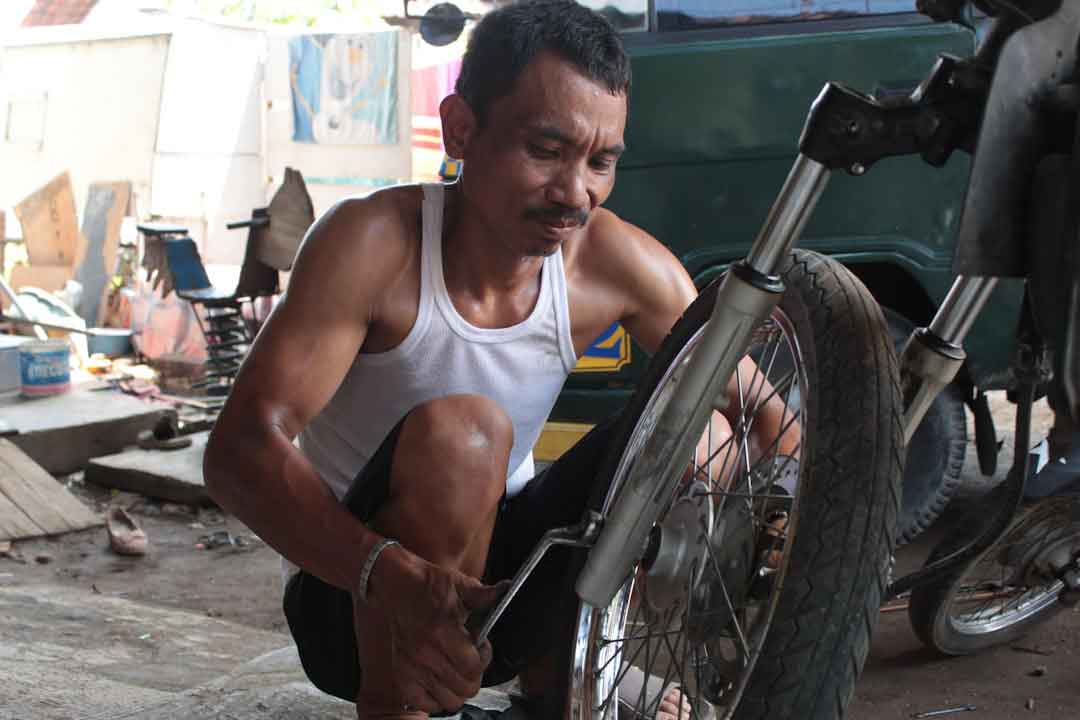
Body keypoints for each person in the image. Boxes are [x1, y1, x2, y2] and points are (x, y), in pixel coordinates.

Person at [204, 2, 796, 718]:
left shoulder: (612, 264)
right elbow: (238, 450)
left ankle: (568, 673)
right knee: (469, 434)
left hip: (510, 591)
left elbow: (768, 419)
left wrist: (786, 546)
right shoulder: (374, 245)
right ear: (462, 129)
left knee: (695, 428)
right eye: (546, 151)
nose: (576, 193)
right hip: (359, 599)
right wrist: (383, 571)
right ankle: (407, 707)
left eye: (600, 161)